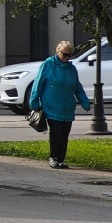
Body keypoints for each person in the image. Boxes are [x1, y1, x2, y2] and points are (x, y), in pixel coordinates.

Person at [29, 40, 91, 169]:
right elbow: (38, 84)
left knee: (64, 134)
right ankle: (54, 157)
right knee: (56, 133)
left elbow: (77, 87)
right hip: (52, 106)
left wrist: (85, 102)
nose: (67, 58)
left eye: (70, 55)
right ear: (58, 52)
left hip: (67, 107)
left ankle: (61, 159)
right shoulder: (48, 65)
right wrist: (34, 102)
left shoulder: (71, 69)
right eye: (65, 54)